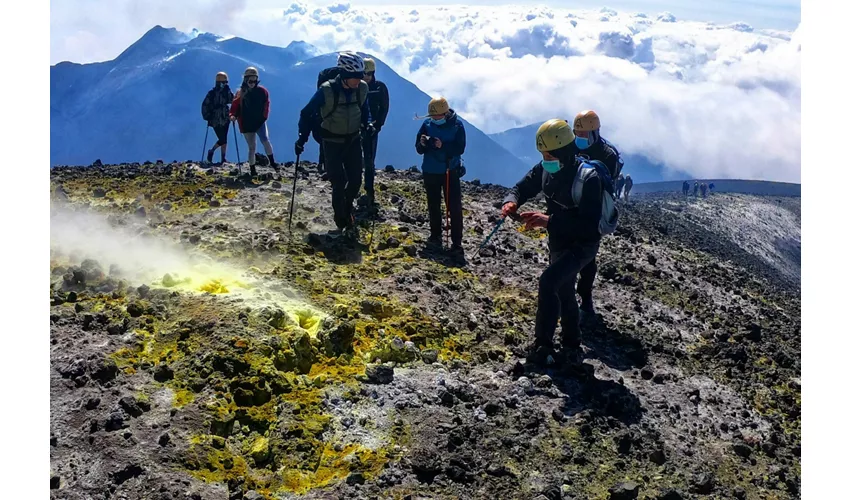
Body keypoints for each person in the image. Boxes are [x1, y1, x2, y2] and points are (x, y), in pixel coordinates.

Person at [501, 119, 603, 365]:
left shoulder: (588, 180)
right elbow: (522, 187)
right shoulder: (547, 169)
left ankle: (543, 346)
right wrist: (511, 200)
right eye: (543, 154)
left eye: (548, 153)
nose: (544, 158)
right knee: (563, 288)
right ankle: (572, 343)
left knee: (549, 281)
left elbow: (589, 225)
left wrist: (548, 221)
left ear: (562, 151)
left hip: (583, 245)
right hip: (559, 241)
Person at [296, 52, 371, 238]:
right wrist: (301, 139)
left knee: (355, 181)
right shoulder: (326, 91)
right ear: (345, 75)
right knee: (338, 182)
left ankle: (346, 207)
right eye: (356, 76)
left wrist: (367, 125)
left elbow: (364, 110)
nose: (360, 80)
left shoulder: (361, 89)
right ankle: (342, 221)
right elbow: (306, 114)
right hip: (331, 143)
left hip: (353, 141)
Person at [571, 110, 622, 318]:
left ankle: (585, 297)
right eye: (577, 134)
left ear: (594, 133)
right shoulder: (570, 146)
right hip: (570, 206)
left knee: (587, 256)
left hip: (593, 211)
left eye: (583, 135)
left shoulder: (608, 154)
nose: (580, 139)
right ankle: (566, 295)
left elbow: (606, 184)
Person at [415, 96, 467, 256]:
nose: (434, 119)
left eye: (436, 116)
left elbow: (460, 148)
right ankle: (435, 235)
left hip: (449, 171)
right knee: (433, 205)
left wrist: (442, 146)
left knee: (454, 207)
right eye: (432, 116)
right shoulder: (426, 125)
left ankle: (456, 242)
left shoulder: (457, 125)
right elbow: (418, 148)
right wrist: (423, 144)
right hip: (431, 170)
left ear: (445, 113)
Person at [230, 67, 276, 176]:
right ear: (246, 80)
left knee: (265, 141)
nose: (252, 83)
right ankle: (253, 170)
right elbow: (234, 108)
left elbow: (266, 105)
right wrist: (232, 115)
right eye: (250, 81)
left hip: (258, 122)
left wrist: (264, 117)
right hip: (247, 124)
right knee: (252, 147)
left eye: (254, 80)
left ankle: (273, 163)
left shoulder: (262, 92)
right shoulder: (240, 94)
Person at [361, 58, 390, 206]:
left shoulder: (379, 88)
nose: (365, 76)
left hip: (372, 130)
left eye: (368, 73)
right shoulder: (357, 87)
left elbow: (384, 109)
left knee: (369, 161)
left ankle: (369, 190)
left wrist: (377, 125)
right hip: (356, 127)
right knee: (353, 159)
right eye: (363, 73)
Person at [202, 72, 235, 164]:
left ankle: (222, 158)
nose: (225, 84)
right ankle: (212, 151)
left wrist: (228, 91)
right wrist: (208, 116)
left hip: (224, 117)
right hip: (216, 119)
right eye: (223, 82)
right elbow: (205, 105)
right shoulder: (211, 94)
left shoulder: (225, 92)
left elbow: (232, 100)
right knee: (223, 138)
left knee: (224, 138)